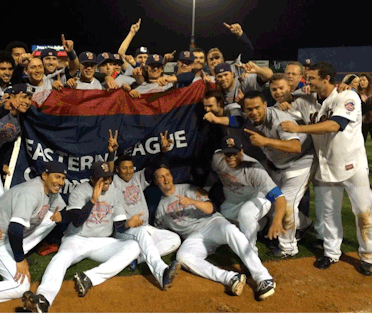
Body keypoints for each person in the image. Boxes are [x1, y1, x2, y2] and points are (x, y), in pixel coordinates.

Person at [279, 61, 372, 274]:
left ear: (326, 79)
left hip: (353, 164)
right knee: (329, 213)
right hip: (326, 165)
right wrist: (285, 100)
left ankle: (368, 255)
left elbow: (335, 124)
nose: (307, 82)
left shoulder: (347, 96)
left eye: (311, 78)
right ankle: (331, 253)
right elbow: (289, 100)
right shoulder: (307, 98)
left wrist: (300, 127)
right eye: (307, 78)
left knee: (363, 212)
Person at [23, 161, 141, 313]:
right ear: (92, 179)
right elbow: (77, 221)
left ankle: (89, 278)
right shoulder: (80, 191)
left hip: (102, 242)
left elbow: (119, 225)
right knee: (62, 257)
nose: (107, 181)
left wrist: (128, 224)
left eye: (109, 177)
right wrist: (92, 200)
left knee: (133, 246)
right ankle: (43, 298)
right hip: (77, 239)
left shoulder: (115, 192)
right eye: (102, 178)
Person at [152, 158, 277, 300]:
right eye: (161, 177)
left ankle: (263, 277)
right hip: (194, 237)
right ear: (156, 182)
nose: (165, 179)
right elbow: (161, 233)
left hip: (211, 223)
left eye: (167, 174)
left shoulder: (188, 189)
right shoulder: (160, 209)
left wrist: (192, 201)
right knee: (183, 256)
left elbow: (210, 208)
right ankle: (231, 278)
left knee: (231, 231)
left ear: (172, 176)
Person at [0, 161, 68, 312]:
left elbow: (64, 210)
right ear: (44, 176)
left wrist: (61, 215)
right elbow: (15, 229)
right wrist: (20, 259)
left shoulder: (51, 191)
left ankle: (14, 250)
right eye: (57, 177)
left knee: (52, 217)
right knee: (20, 286)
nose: (60, 182)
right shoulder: (30, 192)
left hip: (9, 236)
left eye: (63, 178)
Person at [241, 91, 314, 257]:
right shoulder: (251, 121)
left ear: (265, 105)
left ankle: (288, 248)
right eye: (249, 109)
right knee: (273, 202)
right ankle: (304, 223)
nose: (254, 112)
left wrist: (265, 142)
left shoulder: (278, 119)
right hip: (280, 165)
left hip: (301, 161)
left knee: (287, 203)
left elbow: (295, 146)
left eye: (257, 107)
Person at [107, 130, 182, 289]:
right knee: (141, 233)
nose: (128, 171)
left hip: (145, 228)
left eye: (130, 167)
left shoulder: (137, 178)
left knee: (174, 239)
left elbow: (153, 167)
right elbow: (108, 170)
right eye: (124, 168)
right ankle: (161, 271)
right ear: (118, 170)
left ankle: (137, 259)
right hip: (125, 231)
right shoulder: (113, 182)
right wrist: (112, 153)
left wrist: (163, 151)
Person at [208, 135, 286, 254]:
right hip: (232, 203)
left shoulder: (254, 168)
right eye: (228, 154)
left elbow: (279, 197)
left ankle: (250, 253)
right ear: (222, 153)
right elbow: (213, 176)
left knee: (246, 214)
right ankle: (261, 224)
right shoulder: (217, 159)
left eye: (235, 153)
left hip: (257, 199)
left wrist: (277, 220)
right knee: (225, 224)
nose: (231, 158)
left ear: (242, 151)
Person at [358, 73, 372, 142]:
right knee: (361, 141)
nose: (362, 82)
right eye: (360, 80)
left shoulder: (371, 93)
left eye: (364, 80)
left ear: (368, 81)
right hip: (362, 122)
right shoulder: (357, 94)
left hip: (371, 120)